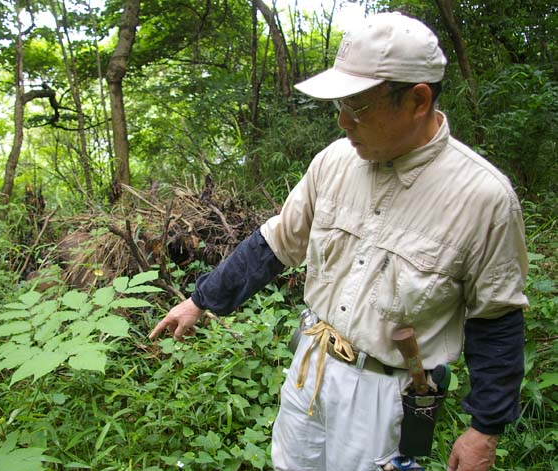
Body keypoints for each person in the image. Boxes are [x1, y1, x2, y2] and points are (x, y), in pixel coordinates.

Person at [149, 11, 527, 471]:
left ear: (418, 99)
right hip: (312, 365)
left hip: (387, 395)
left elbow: (497, 319)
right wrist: (200, 301)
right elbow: (275, 243)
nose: (344, 123)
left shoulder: (483, 198)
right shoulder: (334, 162)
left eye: (359, 107)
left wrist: (483, 429)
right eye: (339, 106)